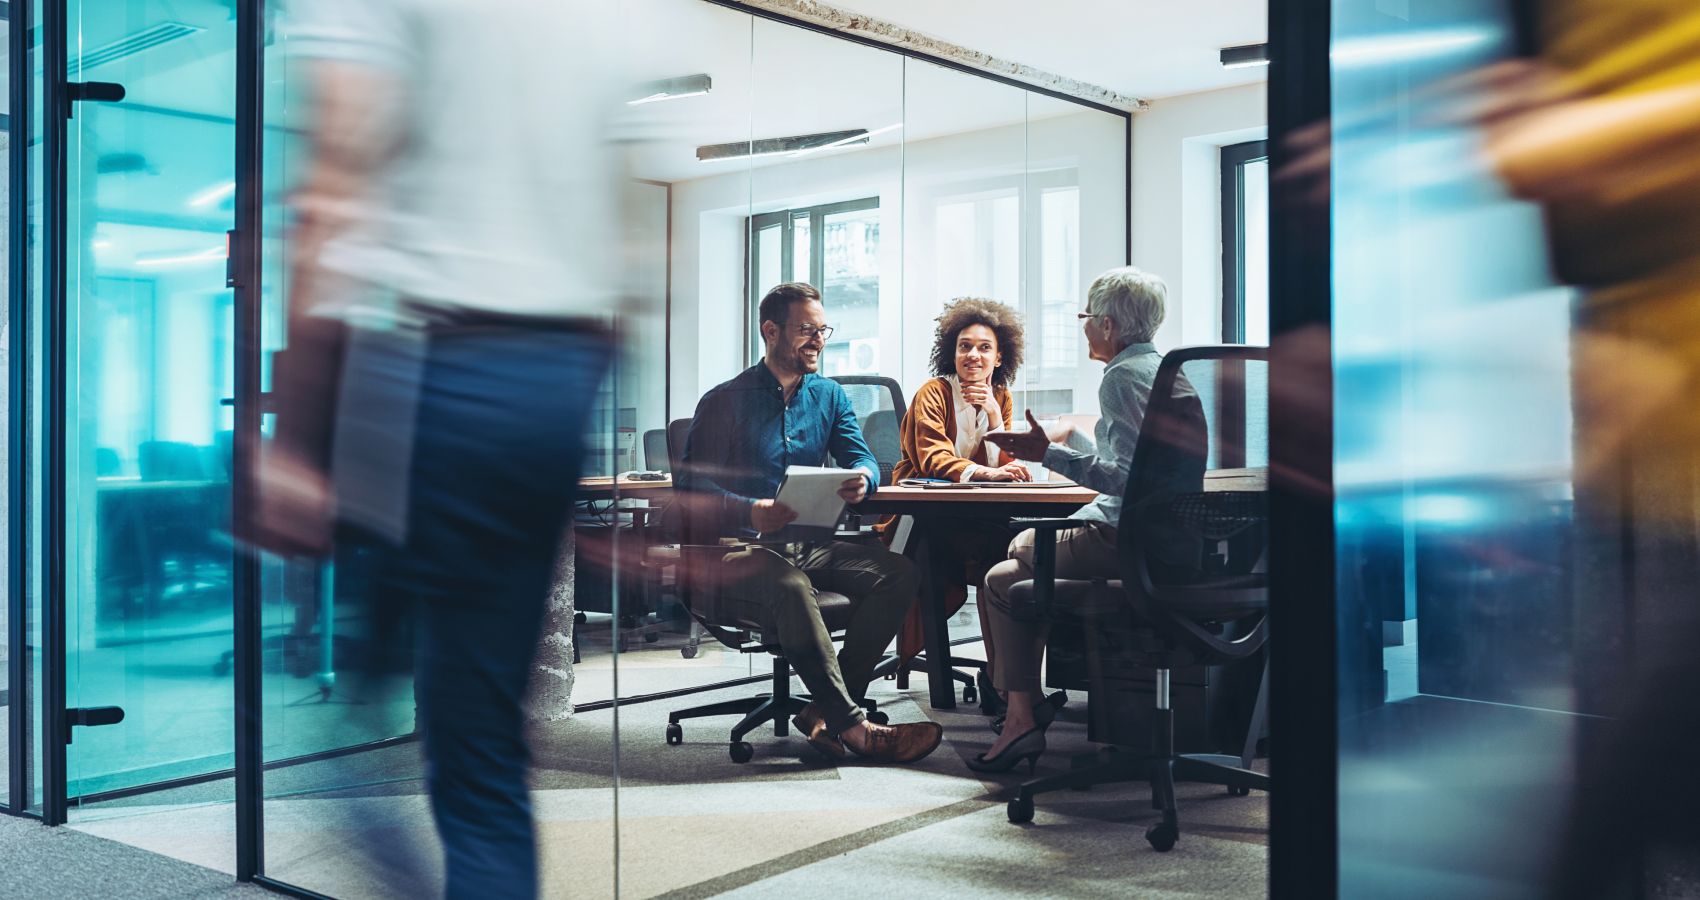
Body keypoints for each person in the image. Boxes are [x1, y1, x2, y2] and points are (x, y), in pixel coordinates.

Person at [254, 2, 627, 896]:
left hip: (433, 365)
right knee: (480, 746)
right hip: (559, 367)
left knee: (349, 737)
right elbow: (616, 210)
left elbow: (336, 175)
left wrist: (295, 435)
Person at [677, 282, 943, 764]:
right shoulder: (725, 401)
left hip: (807, 543)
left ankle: (824, 710)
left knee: (898, 573)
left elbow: (861, 457)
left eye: (822, 330)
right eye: (806, 330)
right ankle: (856, 728)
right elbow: (691, 492)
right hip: (733, 550)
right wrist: (749, 509)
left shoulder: (830, 396)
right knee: (791, 586)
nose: (818, 340)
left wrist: (863, 479)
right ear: (771, 331)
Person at [972, 266, 1171, 772]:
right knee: (1004, 580)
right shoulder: (1167, 370)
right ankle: (1022, 713)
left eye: (1085, 317)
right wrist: (1064, 441)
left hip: (1120, 538)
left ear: (1107, 324)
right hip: (1161, 540)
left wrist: (1047, 457)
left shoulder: (1121, 377)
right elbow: (1142, 463)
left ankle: (1022, 717)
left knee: (1018, 550)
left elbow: (1128, 479)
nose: (1083, 326)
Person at [882, 298, 1029, 708]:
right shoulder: (933, 392)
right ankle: (1002, 684)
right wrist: (986, 473)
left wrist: (996, 422)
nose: (973, 355)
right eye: (965, 346)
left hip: (971, 516)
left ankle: (1001, 679)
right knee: (991, 557)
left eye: (984, 348)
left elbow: (1007, 463)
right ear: (952, 351)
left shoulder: (1001, 396)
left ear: (1000, 357)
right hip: (921, 518)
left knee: (1005, 561)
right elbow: (932, 457)